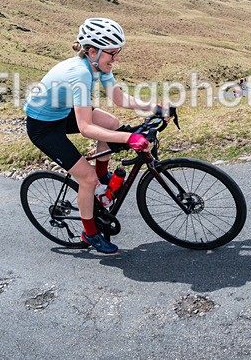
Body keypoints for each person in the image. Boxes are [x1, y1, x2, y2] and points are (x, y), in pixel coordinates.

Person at [24, 18, 164, 254]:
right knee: (87, 179)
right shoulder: (80, 74)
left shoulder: (99, 65)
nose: (116, 58)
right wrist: (129, 138)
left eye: (117, 52)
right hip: (43, 127)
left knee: (112, 123)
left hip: (61, 112)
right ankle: (89, 232)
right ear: (92, 51)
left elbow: (120, 99)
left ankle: (102, 176)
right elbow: (86, 128)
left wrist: (156, 108)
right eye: (112, 53)